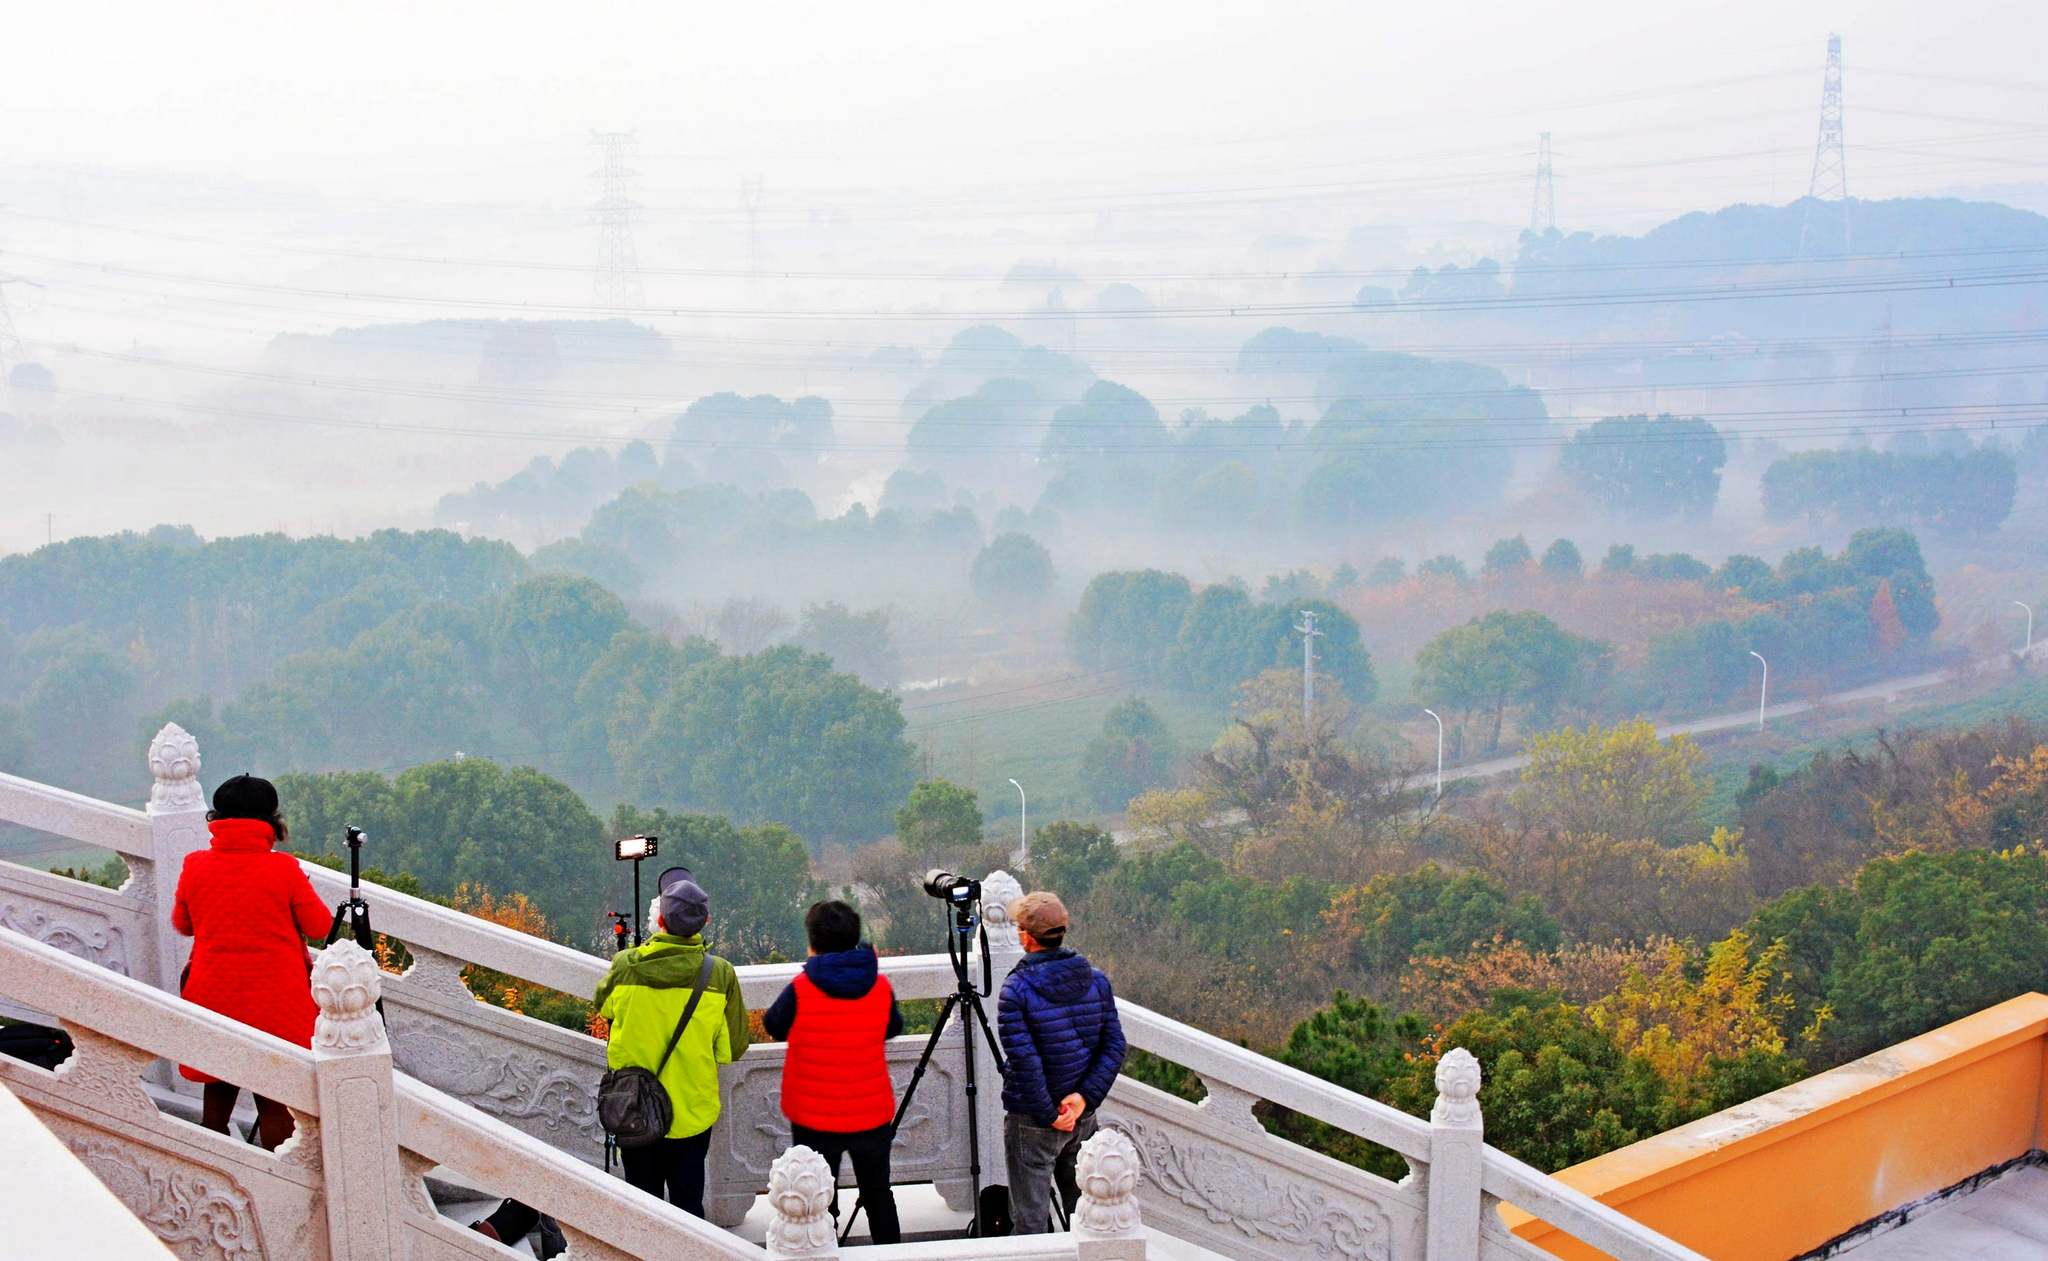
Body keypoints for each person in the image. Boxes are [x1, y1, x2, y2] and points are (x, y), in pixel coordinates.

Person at [171, 773, 331, 1150]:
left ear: (218, 819)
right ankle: (280, 1181)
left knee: (218, 1081)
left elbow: (183, 924)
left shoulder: (194, 864)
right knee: (273, 1091)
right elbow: (320, 925)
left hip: (213, 992)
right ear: (271, 822)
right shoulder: (283, 869)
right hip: (277, 998)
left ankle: (214, 1159)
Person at [592, 867, 749, 1217]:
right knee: (688, 1203)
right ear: (705, 921)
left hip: (634, 1107)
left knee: (642, 1206)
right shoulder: (719, 973)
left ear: (658, 920)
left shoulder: (625, 966)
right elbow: (733, 1047)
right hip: (692, 1111)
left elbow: (602, 1007)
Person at [762, 901, 905, 1245]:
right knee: (878, 1196)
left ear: (813, 943)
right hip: (870, 1116)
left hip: (814, 1117)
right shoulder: (880, 986)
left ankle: (824, 1249)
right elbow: (892, 1027)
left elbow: (773, 1025)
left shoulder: (800, 988)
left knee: (818, 1202)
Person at [997, 890, 1126, 1235]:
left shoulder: (1016, 990)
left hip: (1033, 1121)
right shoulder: (1096, 981)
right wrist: (1083, 1099)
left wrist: (1051, 1115)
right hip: (1082, 1118)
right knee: (1085, 1215)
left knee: (1030, 1221)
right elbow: (1114, 1046)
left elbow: (1025, 1062)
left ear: (1026, 937)